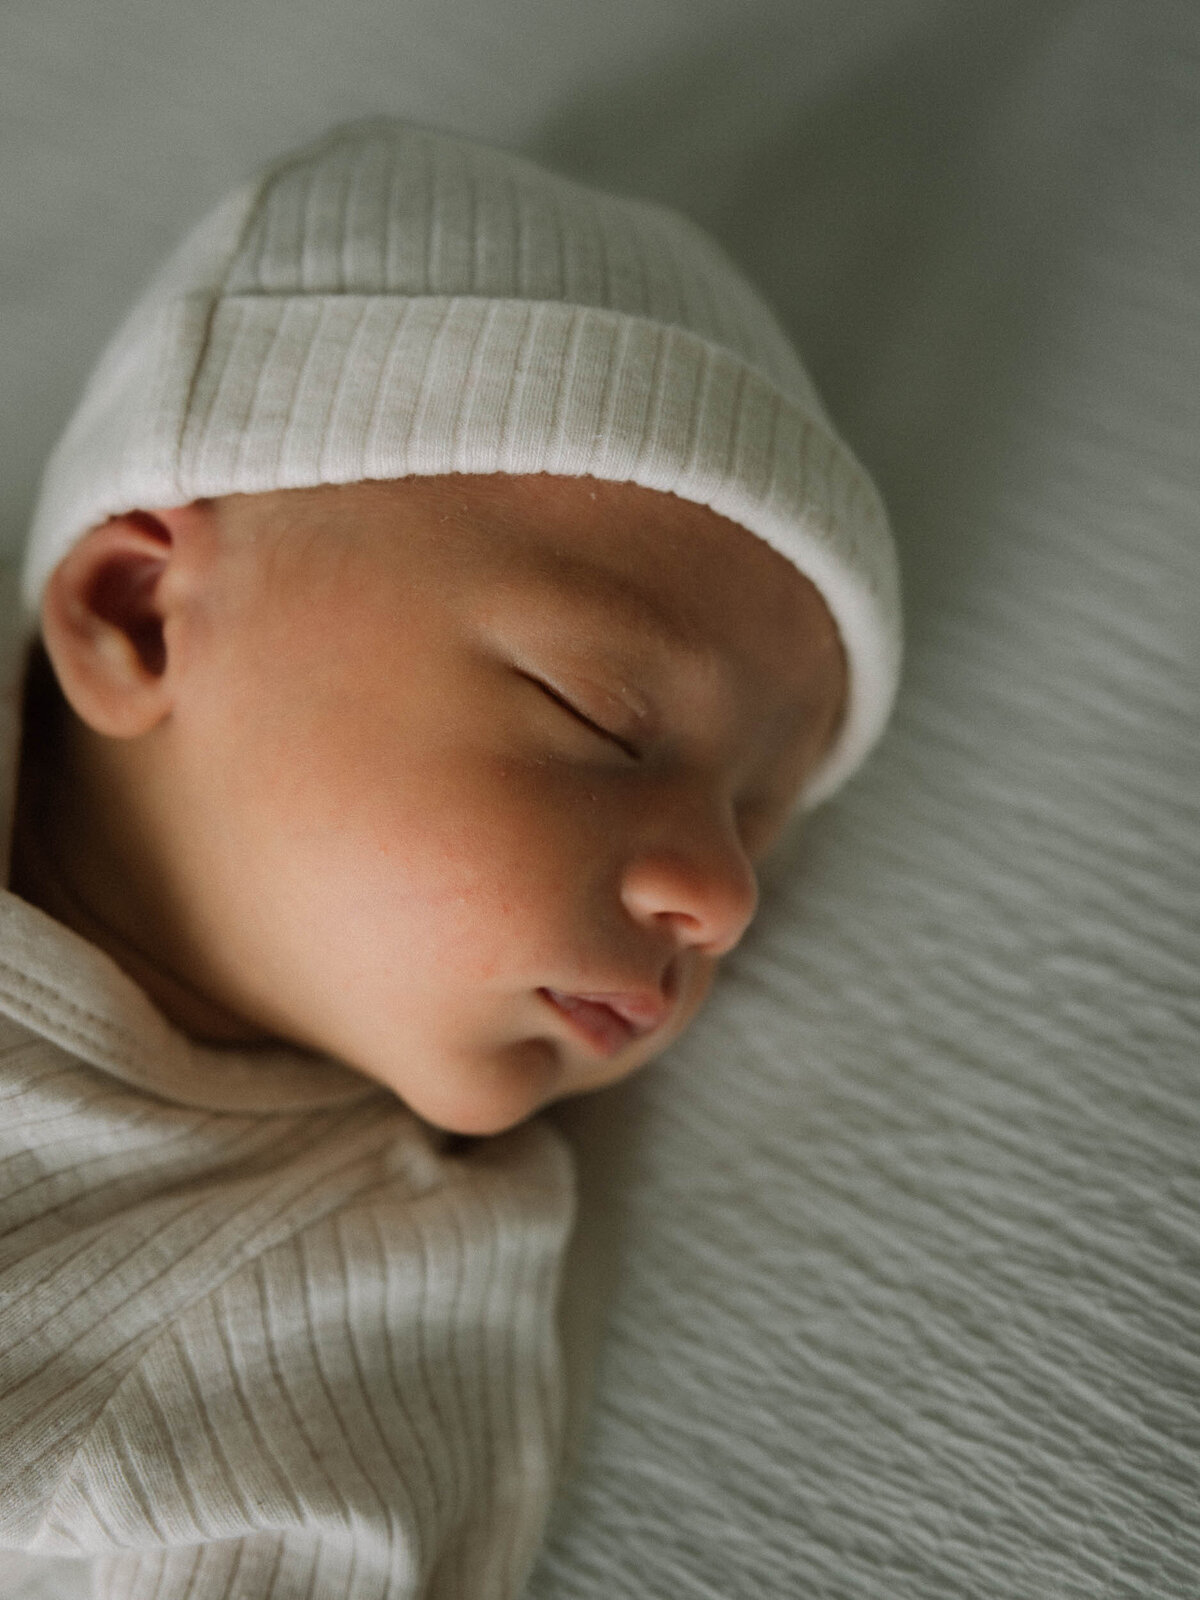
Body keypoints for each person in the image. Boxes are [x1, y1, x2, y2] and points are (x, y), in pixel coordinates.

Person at [0, 118, 901, 1598]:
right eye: (605, 719)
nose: (727, 897)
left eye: (761, 819)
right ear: (146, 613)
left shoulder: (340, 1296)